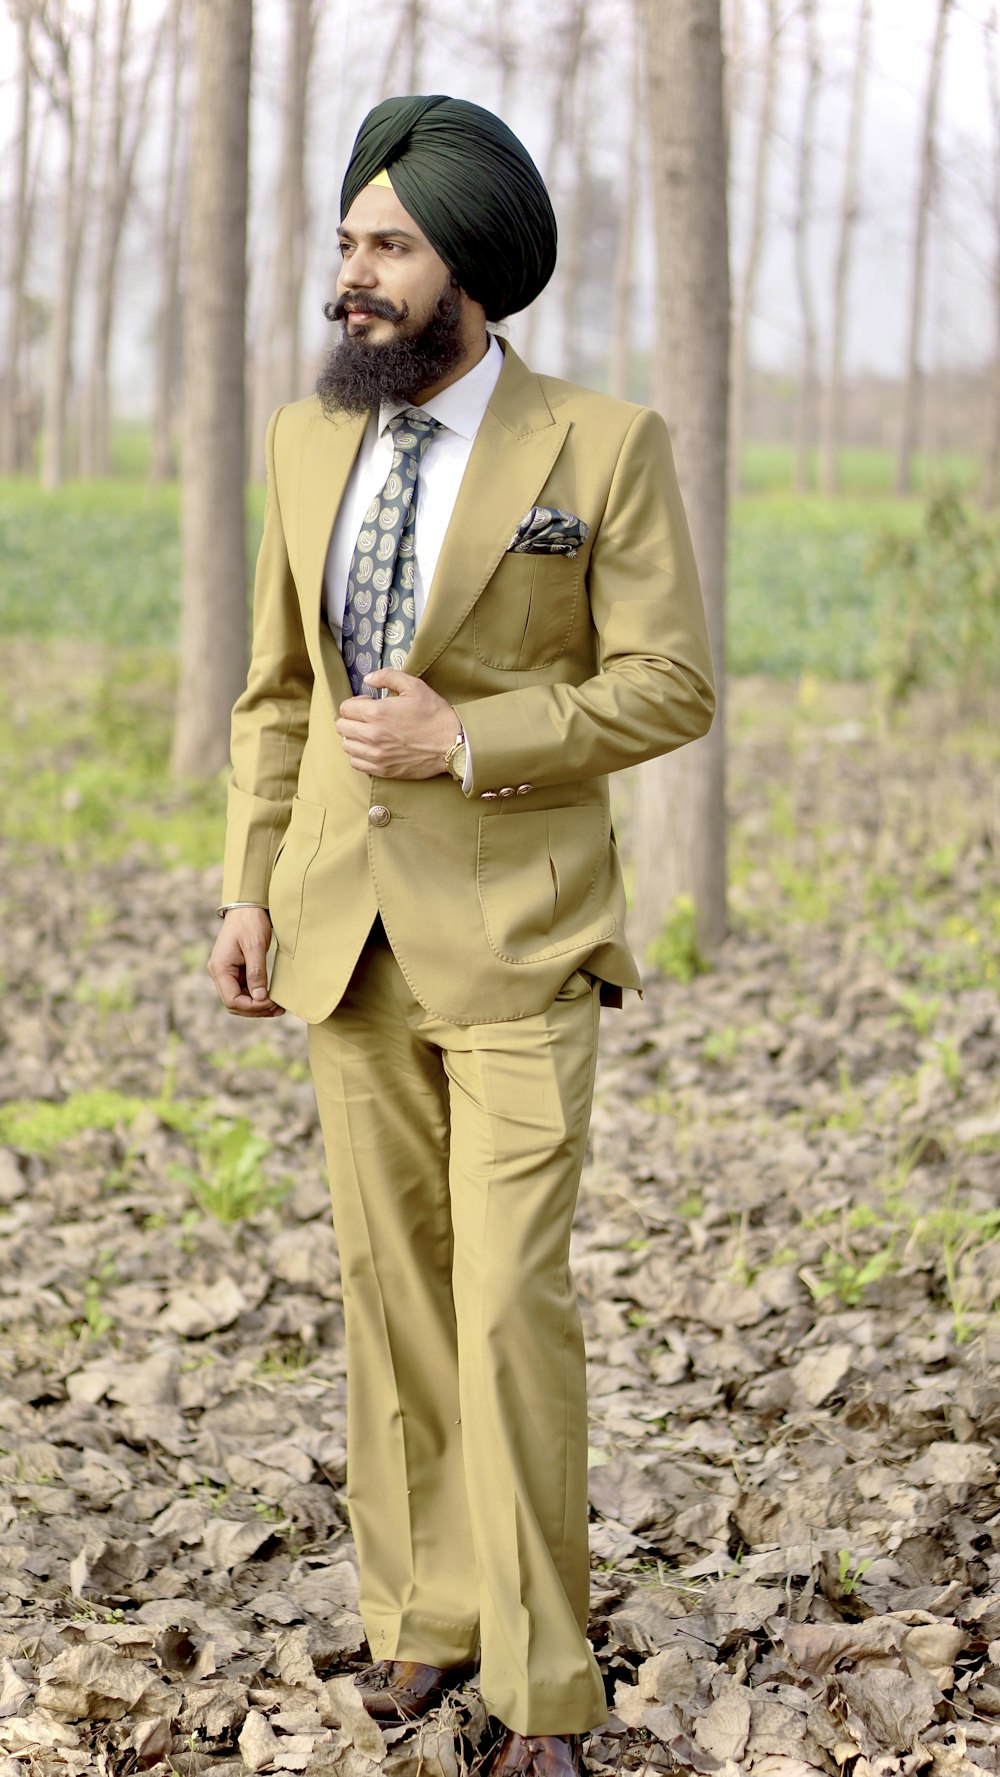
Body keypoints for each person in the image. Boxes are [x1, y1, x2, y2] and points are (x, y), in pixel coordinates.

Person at [208, 94, 715, 1777]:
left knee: (507, 1304)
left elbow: (671, 685)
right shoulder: (301, 438)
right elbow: (276, 692)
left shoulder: (603, 445)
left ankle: (544, 1684)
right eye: (347, 241)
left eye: (387, 247)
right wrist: (246, 883)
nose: (351, 277)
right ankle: (424, 1617)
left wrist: (476, 741)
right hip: (339, 935)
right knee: (389, 1298)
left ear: (469, 273)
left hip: (521, 936)